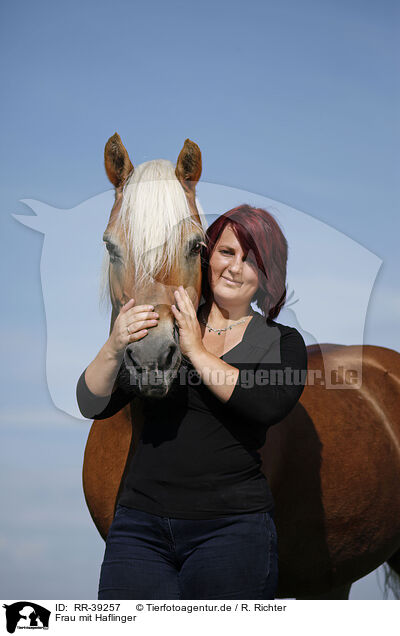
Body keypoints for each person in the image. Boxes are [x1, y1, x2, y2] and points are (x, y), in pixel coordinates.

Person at [76, 204, 308, 600]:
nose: (235, 268)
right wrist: (114, 346)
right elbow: (92, 403)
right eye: (227, 252)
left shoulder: (281, 341)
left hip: (232, 531)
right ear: (207, 256)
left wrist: (197, 352)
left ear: (269, 275)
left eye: (252, 260)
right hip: (140, 532)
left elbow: (267, 404)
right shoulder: (165, 328)